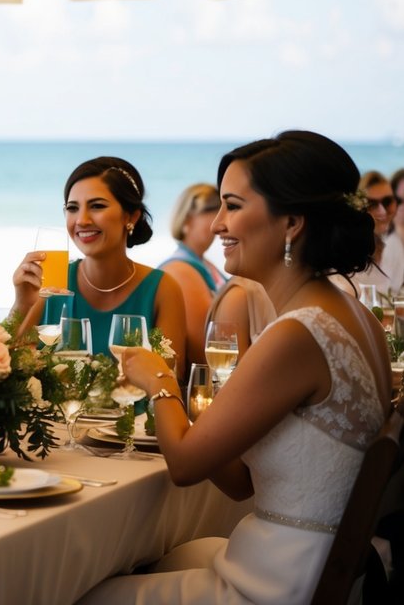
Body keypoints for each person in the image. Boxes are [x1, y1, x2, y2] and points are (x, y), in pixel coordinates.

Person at [80, 130, 392, 605]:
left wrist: (160, 380)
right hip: (310, 558)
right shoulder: (357, 315)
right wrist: (211, 421)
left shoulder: (297, 334)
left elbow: (184, 466)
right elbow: (239, 481)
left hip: (281, 580)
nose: (218, 223)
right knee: (169, 553)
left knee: (81, 591)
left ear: (291, 223)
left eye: (233, 205)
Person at [11, 156, 187, 377]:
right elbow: (9, 376)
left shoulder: (162, 289)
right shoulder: (52, 285)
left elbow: (167, 385)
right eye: (72, 208)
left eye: (97, 206)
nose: (82, 220)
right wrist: (22, 303)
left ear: (131, 215)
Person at [159, 184, 227, 366]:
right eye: (212, 212)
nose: (219, 221)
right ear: (188, 219)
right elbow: (202, 348)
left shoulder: (205, 264)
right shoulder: (181, 270)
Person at [342, 170, 403, 297]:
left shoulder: (395, 246)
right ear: (358, 207)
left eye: (388, 201)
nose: (382, 211)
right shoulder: (347, 254)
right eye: (372, 204)